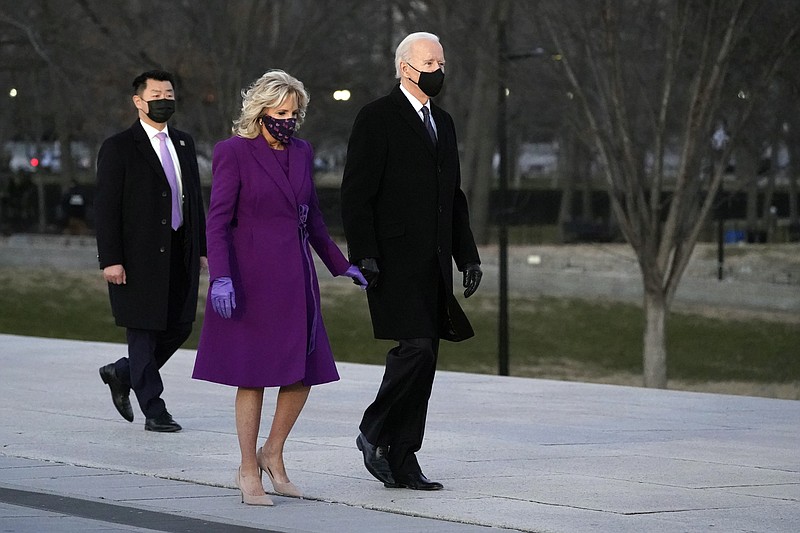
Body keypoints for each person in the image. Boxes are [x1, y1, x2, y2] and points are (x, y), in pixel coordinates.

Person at [192, 70, 367, 506]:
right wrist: (221, 276)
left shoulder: (303, 152)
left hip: (296, 278)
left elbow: (314, 219)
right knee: (252, 377)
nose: (289, 120)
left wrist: (341, 265)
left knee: (302, 372)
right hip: (248, 278)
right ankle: (247, 470)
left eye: (295, 112)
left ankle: (273, 452)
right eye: (281, 112)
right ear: (261, 111)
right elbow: (217, 220)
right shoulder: (232, 152)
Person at [340, 32, 483, 491]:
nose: (439, 69)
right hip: (391, 259)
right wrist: (364, 253)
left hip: (435, 260)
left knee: (426, 360)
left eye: (442, 61)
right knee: (415, 349)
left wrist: (468, 255)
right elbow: (356, 193)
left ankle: (403, 460)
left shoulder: (443, 121)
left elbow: (452, 196)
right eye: (430, 61)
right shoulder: (376, 117)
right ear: (406, 67)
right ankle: (374, 430)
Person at [95, 70, 207, 433]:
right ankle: (154, 408)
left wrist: (202, 248)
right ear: (138, 101)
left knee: (179, 325)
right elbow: (107, 207)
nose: (165, 100)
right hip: (136, 257)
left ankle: (123, 372)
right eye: (157, 94)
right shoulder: (118, 147)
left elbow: (194, 201)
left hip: (180, 251)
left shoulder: (185, 143)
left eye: (169, 94)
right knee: (143, 330)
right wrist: (110, 259)